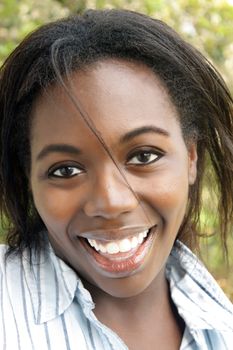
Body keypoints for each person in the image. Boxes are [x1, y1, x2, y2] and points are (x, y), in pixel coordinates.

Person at [0, 8, 233, 350]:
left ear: (191, 157)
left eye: (144, 156)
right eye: (65, 170)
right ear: (29, 179)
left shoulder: (223, 328)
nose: (111, 202)